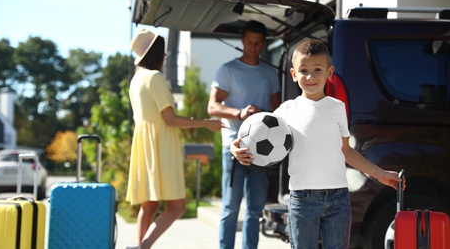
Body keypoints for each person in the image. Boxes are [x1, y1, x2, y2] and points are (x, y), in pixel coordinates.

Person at [230, 38, 405, 248]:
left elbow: (347, 151)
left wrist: (380, 174)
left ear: (329, 73)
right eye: (303, 70)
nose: (310, 76)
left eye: (318, 69)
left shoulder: (337, 107)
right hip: (302, 200)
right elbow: (253, 136)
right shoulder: (286, 110)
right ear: (294, 75)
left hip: (338, 199)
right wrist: (235, 149)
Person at [126, 29, 223, 249]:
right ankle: (143, 247)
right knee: (177, 206)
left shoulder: (136, 80)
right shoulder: (154, 77)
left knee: (148, 206)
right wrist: (205, 123)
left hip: (144, 145)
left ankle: (139, 246)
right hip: (161, 146)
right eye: (163, 52)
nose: (165, 57)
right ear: (155, 53)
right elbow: (169, 119)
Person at [208, 20, 281, 249]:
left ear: (263, 43)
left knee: (255, 208)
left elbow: (278, 111)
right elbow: (212, 107)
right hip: (234, 146)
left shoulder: (269, 73)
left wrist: (263, 114)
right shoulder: (228, 70)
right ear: (242, 41)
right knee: (230, 207)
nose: (253, 46)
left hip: (262, 149)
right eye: (249, 41)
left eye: (258, 42)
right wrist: (240, 113)